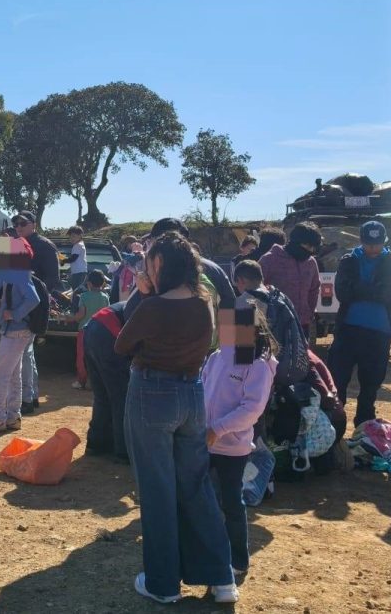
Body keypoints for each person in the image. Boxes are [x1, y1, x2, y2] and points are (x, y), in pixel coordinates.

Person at [114, 232, 237, 605]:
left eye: (149, 261)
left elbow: (122, 344)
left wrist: (143, 295)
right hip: (192, 393)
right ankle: (221, 577)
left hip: (151, 393)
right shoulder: (204, 303)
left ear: (160, 264)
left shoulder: (152, 306)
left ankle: (163, 583)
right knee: (197, 486)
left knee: (157, 490)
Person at [203, 305, 277, 578]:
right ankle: (207, 553)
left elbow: (252, 409)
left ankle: (238, 560)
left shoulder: (258, 365)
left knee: (231, 502)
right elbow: (201, 389)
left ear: (252, 331)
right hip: (204, 442)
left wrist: (218, 429)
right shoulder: (216, 357)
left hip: (232, 448)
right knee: (203, 500)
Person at [329, 221, 391, 425]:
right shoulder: (348, 261)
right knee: (338, 380)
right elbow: (342, 293)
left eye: (377, 244)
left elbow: (389, 294)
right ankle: (336, 424)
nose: (373, 248)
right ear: (361, 241)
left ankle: (364, 426)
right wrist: (373, 290)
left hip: (379, 332)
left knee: (371, 385)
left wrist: (359, 289)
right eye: (369, 244)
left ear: (384, 241)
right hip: (347, 329)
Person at [0, 237, 39, 434]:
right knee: (13, 375)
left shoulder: (16, 273)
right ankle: (12, 417)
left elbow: (33, 299)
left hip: (14, 330)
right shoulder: (16, 272)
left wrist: (14, 314)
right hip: (18, 330)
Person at [12, 211, 59, 413]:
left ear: (34, 224)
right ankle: (31, 395)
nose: (18, 227)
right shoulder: (13, 243)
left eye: (23, 223)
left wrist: (37, 298)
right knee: (27, 353)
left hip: (34, 305)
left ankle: (27, 398)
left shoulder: (45, 245)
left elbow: (53, 278)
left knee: (23, 353)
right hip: (16, 304)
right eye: (16, 223)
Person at [83, 298, 136, 462]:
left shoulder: (135, 301)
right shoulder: (148, 305)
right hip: (108, 334)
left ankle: (96, 443)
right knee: (121, 396)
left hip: (91, 329)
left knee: (102, 395)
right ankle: (123, 450)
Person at [146, 218, 236, 308]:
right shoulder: (214, 269)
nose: (149, 247)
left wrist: (147, 293)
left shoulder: (209, 270)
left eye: (150, 242)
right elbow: (229, 307)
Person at [259, 222, 321, 338]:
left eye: (313, 247)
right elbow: (256, 289)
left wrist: (310, 313)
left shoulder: (311, 263)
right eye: (308, 246)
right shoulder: (269, 259)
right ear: (295, 242)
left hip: (302, 325)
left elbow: (314, 290)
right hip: (276, 326)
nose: (311, 250)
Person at [69, 270, 110, 390]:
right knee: (98, 357)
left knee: (82, 357)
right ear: (103, 283)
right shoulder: (105, 297)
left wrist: (71, 318)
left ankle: (81, 381)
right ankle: (98, 381)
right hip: (100, 331)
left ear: (89, 283)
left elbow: (81, 315)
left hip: (85, 331)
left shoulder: (84, 296)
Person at [66, 226, 89, 290]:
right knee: (77, 289)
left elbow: (73, 259)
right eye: (70, 237)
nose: (71, 238)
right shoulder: (80, 244)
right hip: (80, 271)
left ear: (80, 235)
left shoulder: (78, 245)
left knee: (76, 290)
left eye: (73, 236)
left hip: (78, 272)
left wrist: (63, 260)